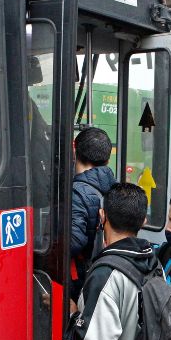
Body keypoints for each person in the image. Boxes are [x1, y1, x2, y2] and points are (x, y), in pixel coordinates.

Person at [63, 183, 161, 340]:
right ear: (144, 221)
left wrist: (72, 315)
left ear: (102, 216)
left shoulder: (106, 273)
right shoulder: (152, 261)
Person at [71, 127, 117, 302]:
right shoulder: (113, 187)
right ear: (107, 159)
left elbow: (73, 241)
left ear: (75, 153)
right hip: (100, 272)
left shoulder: (77, 191)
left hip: (79, 278)